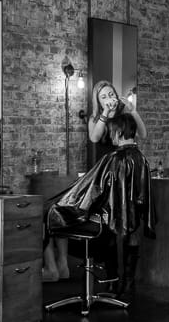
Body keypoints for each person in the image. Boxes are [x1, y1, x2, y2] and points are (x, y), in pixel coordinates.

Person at [43, 79, 148, 282]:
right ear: (98, 102)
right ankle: (109, 277)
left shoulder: (125, 117)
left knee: (129, 226)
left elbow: (143, 134)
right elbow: (94, 137)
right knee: (106, 226)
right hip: (104, 178)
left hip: (122, 178)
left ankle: (125, 280)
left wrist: (133, 110)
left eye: (111, 94)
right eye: (104, 97)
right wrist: (105, 114)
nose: (109, 99)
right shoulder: (95, 119)